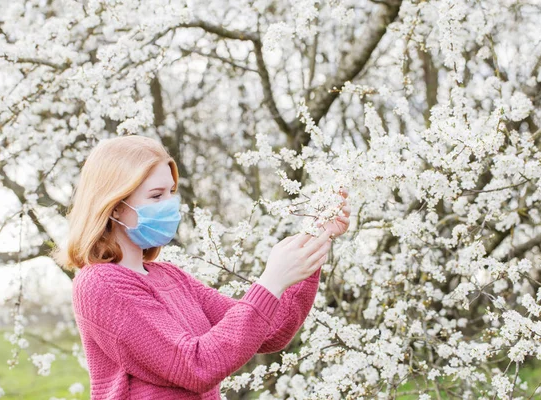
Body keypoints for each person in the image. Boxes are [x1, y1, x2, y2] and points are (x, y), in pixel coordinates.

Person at [51, 135, 351, 399]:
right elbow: (195, 366)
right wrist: (270, 281)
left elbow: (270, 331)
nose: (169, 204)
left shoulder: (169, 276)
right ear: (114, 205)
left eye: (171, 192)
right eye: (156, 196)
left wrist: (316, 236)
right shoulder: (102, 284)